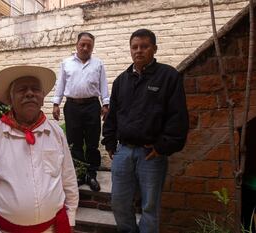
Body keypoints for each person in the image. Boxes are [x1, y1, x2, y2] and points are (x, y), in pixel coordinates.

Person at [0, 65, 79, 233]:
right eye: (21, 89)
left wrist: (69, 220)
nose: (29, 93)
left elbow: (68, 181)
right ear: (10, 98)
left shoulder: (55, 132)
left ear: (42, 98)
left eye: (35, 89)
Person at [102, 29, 189, 233]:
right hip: (123, 152)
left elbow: (177, 117)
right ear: (130, 50)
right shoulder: (121, 81)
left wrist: (162, 146)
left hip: (151, 154)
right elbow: (112, 115)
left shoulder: (169, 76)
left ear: (154, 49)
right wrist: (109, 142)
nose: (138, 51)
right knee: (119, 203)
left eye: (144, 46)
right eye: (134, 47)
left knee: (149, 207)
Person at [52, 32, 109, 192]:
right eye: (82, 44)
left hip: (92, 106)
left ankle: (91, 175)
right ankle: (79, 174)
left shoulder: (98, 64)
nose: (85, 48)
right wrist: (56, 103)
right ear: (77, 44)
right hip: (72, 107)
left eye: (89, 45)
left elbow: (103, 84)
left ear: (92, 47)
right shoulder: (66, 63)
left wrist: (106, 104)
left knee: (92, 143)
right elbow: (61, 84)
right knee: (74, 142)